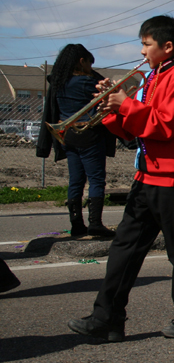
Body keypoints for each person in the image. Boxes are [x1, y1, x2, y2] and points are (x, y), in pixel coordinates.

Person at [68, 15, 174, 341]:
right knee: (123, 249)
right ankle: (106, 318)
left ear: (167, 46)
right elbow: (137, 133)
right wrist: (112, 112)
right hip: (147, 175)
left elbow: (164, 126)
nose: (142, 50)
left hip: (173, 179)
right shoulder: (152, 77)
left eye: (147, 44)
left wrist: (126, 104)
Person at [36, 44, 116, 238]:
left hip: (67, 136)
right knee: (96, 179)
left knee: (76, 181)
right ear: (82, 61)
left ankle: (76, 225)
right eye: (89, 63)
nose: (91, 67)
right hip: (89, 135)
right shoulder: (89, 83)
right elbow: (110, 96)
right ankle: (95, 223)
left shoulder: (59, 83)